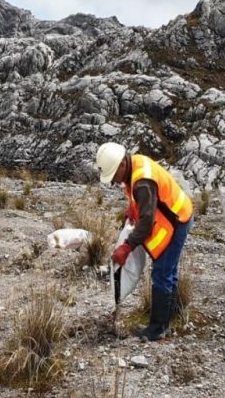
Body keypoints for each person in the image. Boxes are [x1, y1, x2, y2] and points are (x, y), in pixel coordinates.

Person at [96, 142, 194, 341]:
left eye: (114, 175)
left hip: (176, 222)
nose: (114, 181)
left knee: (162, 273)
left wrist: (127, 247)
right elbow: (143, 203)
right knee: (169, 270)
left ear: (122, 164)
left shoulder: (142, 182)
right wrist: (133, 208)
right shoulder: (135, 164)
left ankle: (158, 329)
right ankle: (169, 317)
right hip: (180, 213)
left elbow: (147, 222)